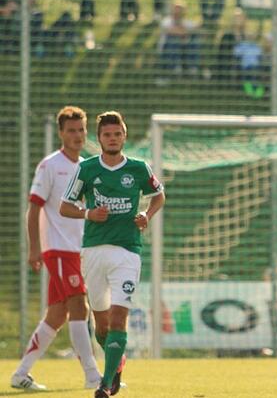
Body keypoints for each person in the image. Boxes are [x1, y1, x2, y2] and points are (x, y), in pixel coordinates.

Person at [60, 111, 166, 398]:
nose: (113, 138)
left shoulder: (139, 168)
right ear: (99, 138)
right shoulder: (87, 170)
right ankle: (116, 364)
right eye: (107, 135)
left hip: (127, 251)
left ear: (124, 135)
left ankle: (105, 385)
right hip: (93, 251)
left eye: (117, 134)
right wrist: (89, 213)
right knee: (103, 327)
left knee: (119, 318)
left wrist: (147, 213)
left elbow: (159, 195)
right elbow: (65, 206)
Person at [10, 107, 100, 391]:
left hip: (78, 251)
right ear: (61, 133)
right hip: (58, 249)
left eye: (81, 130)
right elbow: (34, 207)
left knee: (57, 315)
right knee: (79, 306)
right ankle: (93, 376)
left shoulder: (85, 166)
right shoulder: (50, 165)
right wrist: (34, 248)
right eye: (71, 130)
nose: (77, 135)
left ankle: (20, 374)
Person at [156, 0, 200, 84]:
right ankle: (172, 69)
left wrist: (188, 30)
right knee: (173, 40)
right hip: (167, 50)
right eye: (176, 10)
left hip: (183, 50)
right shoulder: (166, 21)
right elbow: (170, 31)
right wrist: (185, 31)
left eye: (180, 11)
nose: (178, 13)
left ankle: (192, 69)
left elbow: (197, 27)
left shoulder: (186, 22)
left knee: (195, 41)